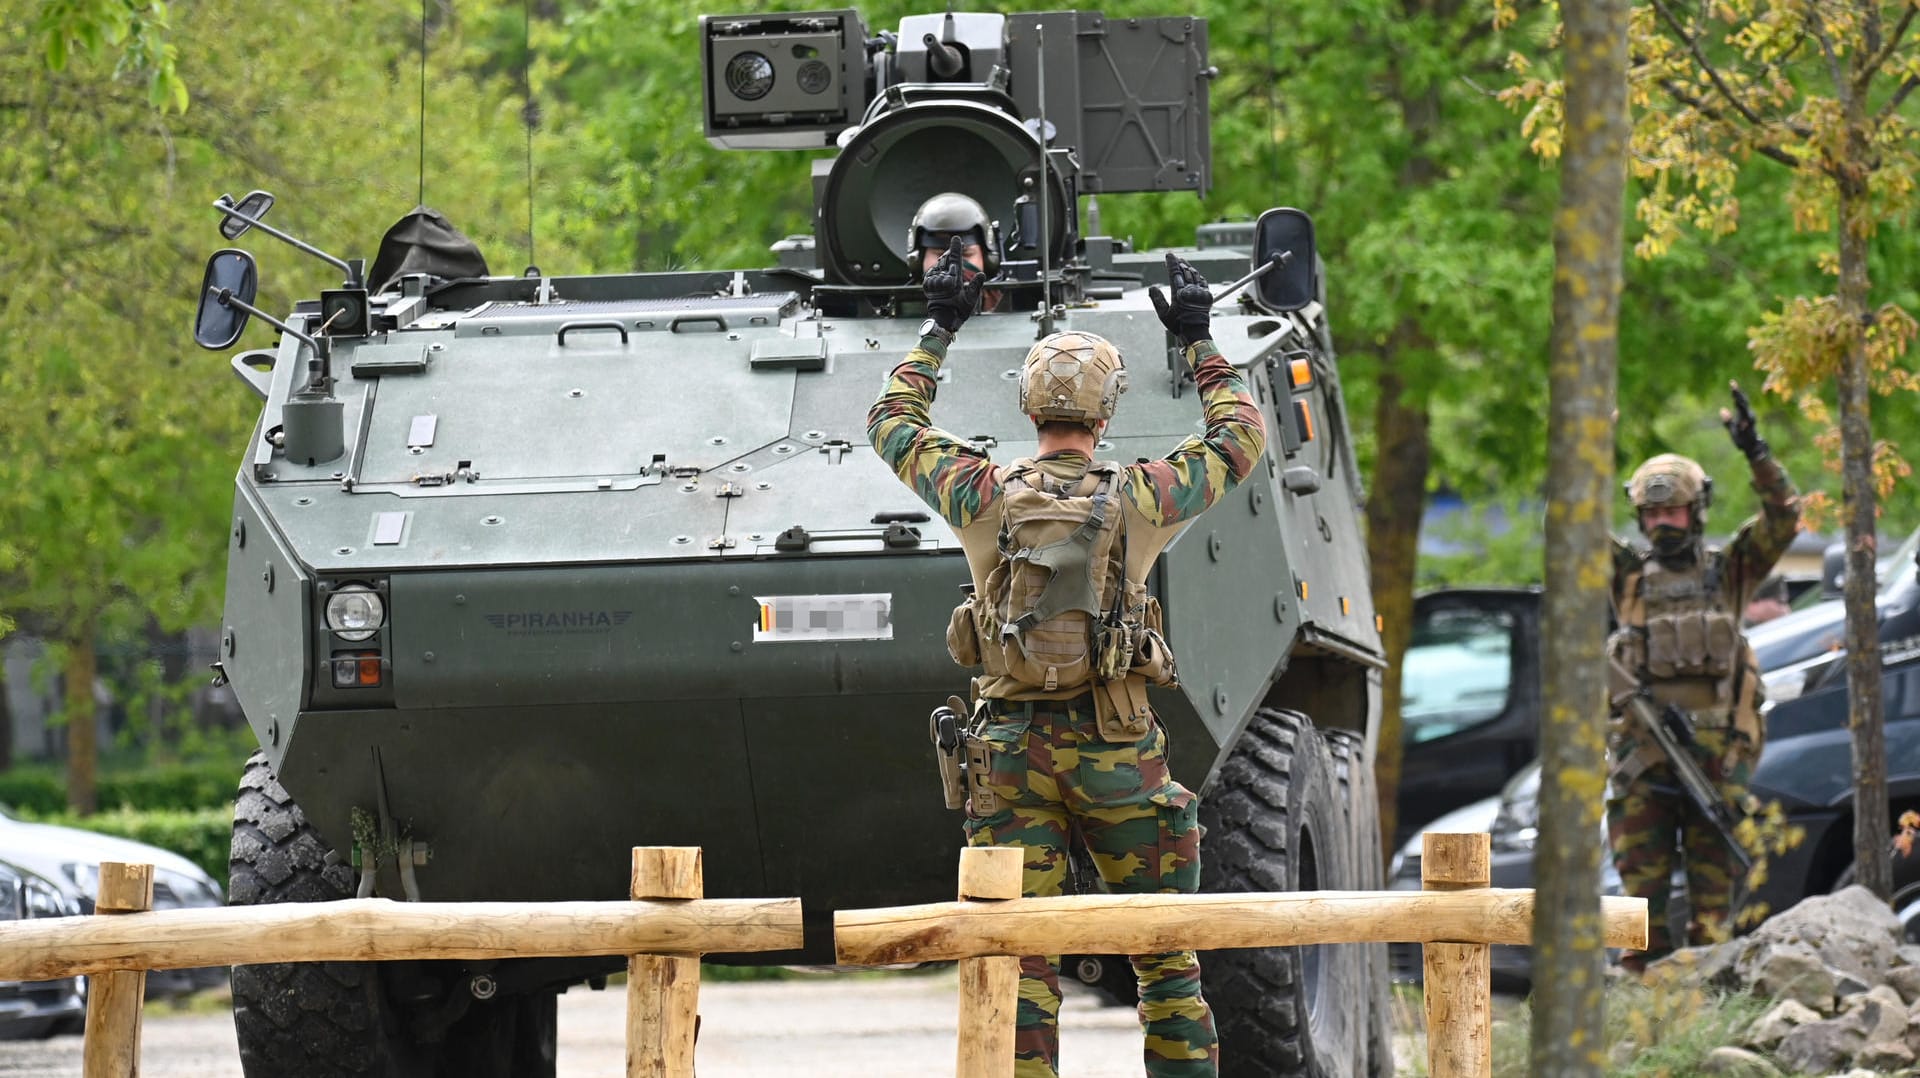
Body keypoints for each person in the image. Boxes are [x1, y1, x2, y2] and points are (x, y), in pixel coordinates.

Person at [867, 239, 1264, 1078]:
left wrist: (941, 324)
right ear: (1107, 412)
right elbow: (1240, 437)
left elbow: (890, 422)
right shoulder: (1146, 496)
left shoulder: (977, 491)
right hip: (1120, 750)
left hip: (1008, 758)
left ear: (1027, 408)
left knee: (1017, 962)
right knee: (1165, 958)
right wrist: (1199, 340)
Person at [1607, 382, 1800, 969]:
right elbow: (1562, 527)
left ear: (1696, 511)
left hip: (1717, 764)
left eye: (1673, 510)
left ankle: (1706, 1014)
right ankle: (1641, 1019)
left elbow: (1785, 517)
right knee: (1639, 905)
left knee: (1715, 911)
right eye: (1653, 513)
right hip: (1644, 757)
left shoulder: (1731, 571)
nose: (1663, 523)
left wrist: (1756, 452)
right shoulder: (1626, 577)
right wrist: (1593, 446)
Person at [905, 192, 1001, 311]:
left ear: (987, 259)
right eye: (941, 255)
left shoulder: (1008, 308)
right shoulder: (898, 312)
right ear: (918, 260)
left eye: (965, 254)